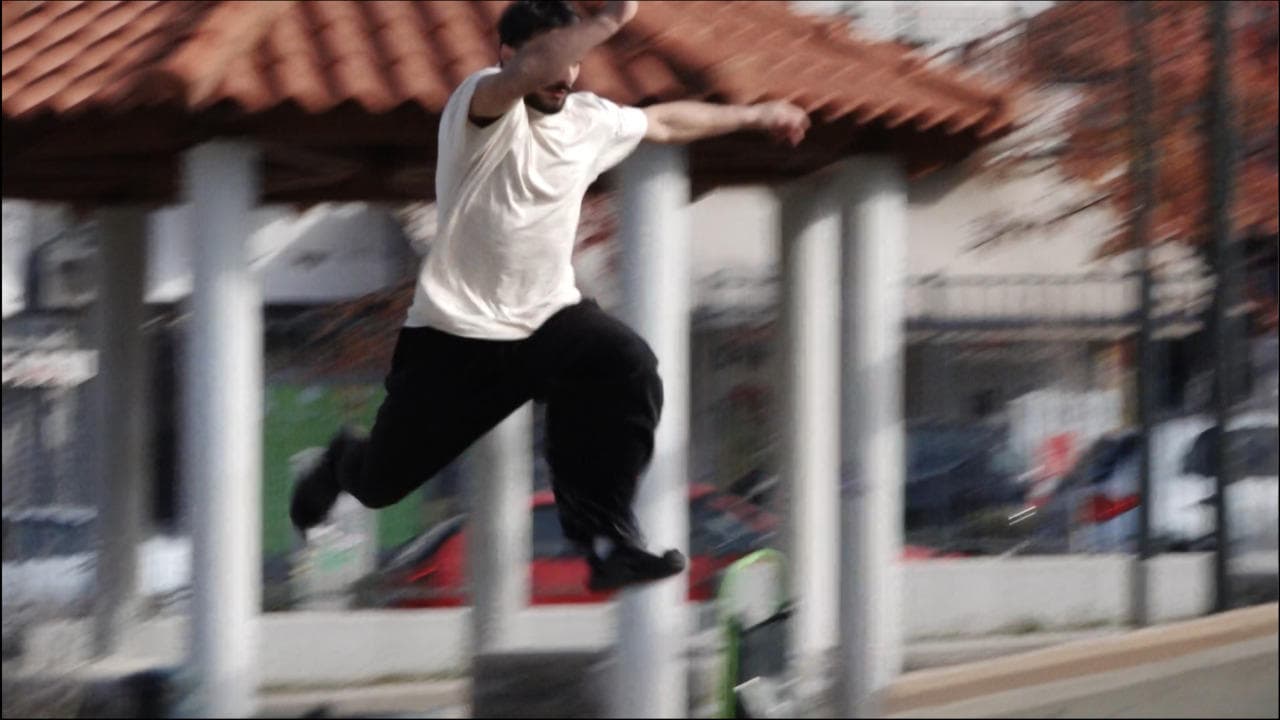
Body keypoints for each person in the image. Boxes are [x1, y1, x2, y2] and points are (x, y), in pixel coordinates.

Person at [291, 0, 809, 592]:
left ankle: (605, 539)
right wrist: (607, 23)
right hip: (456, 338)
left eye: (576, 64)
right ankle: (341, 460)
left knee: (625, 366)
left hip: (548, 318)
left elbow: (665, 122)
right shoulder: (481, 107)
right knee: (381, 484)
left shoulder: (588, 120)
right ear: (510, 55)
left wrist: (756, 114)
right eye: (555, 60)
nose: (566, 77)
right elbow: (529, 76)